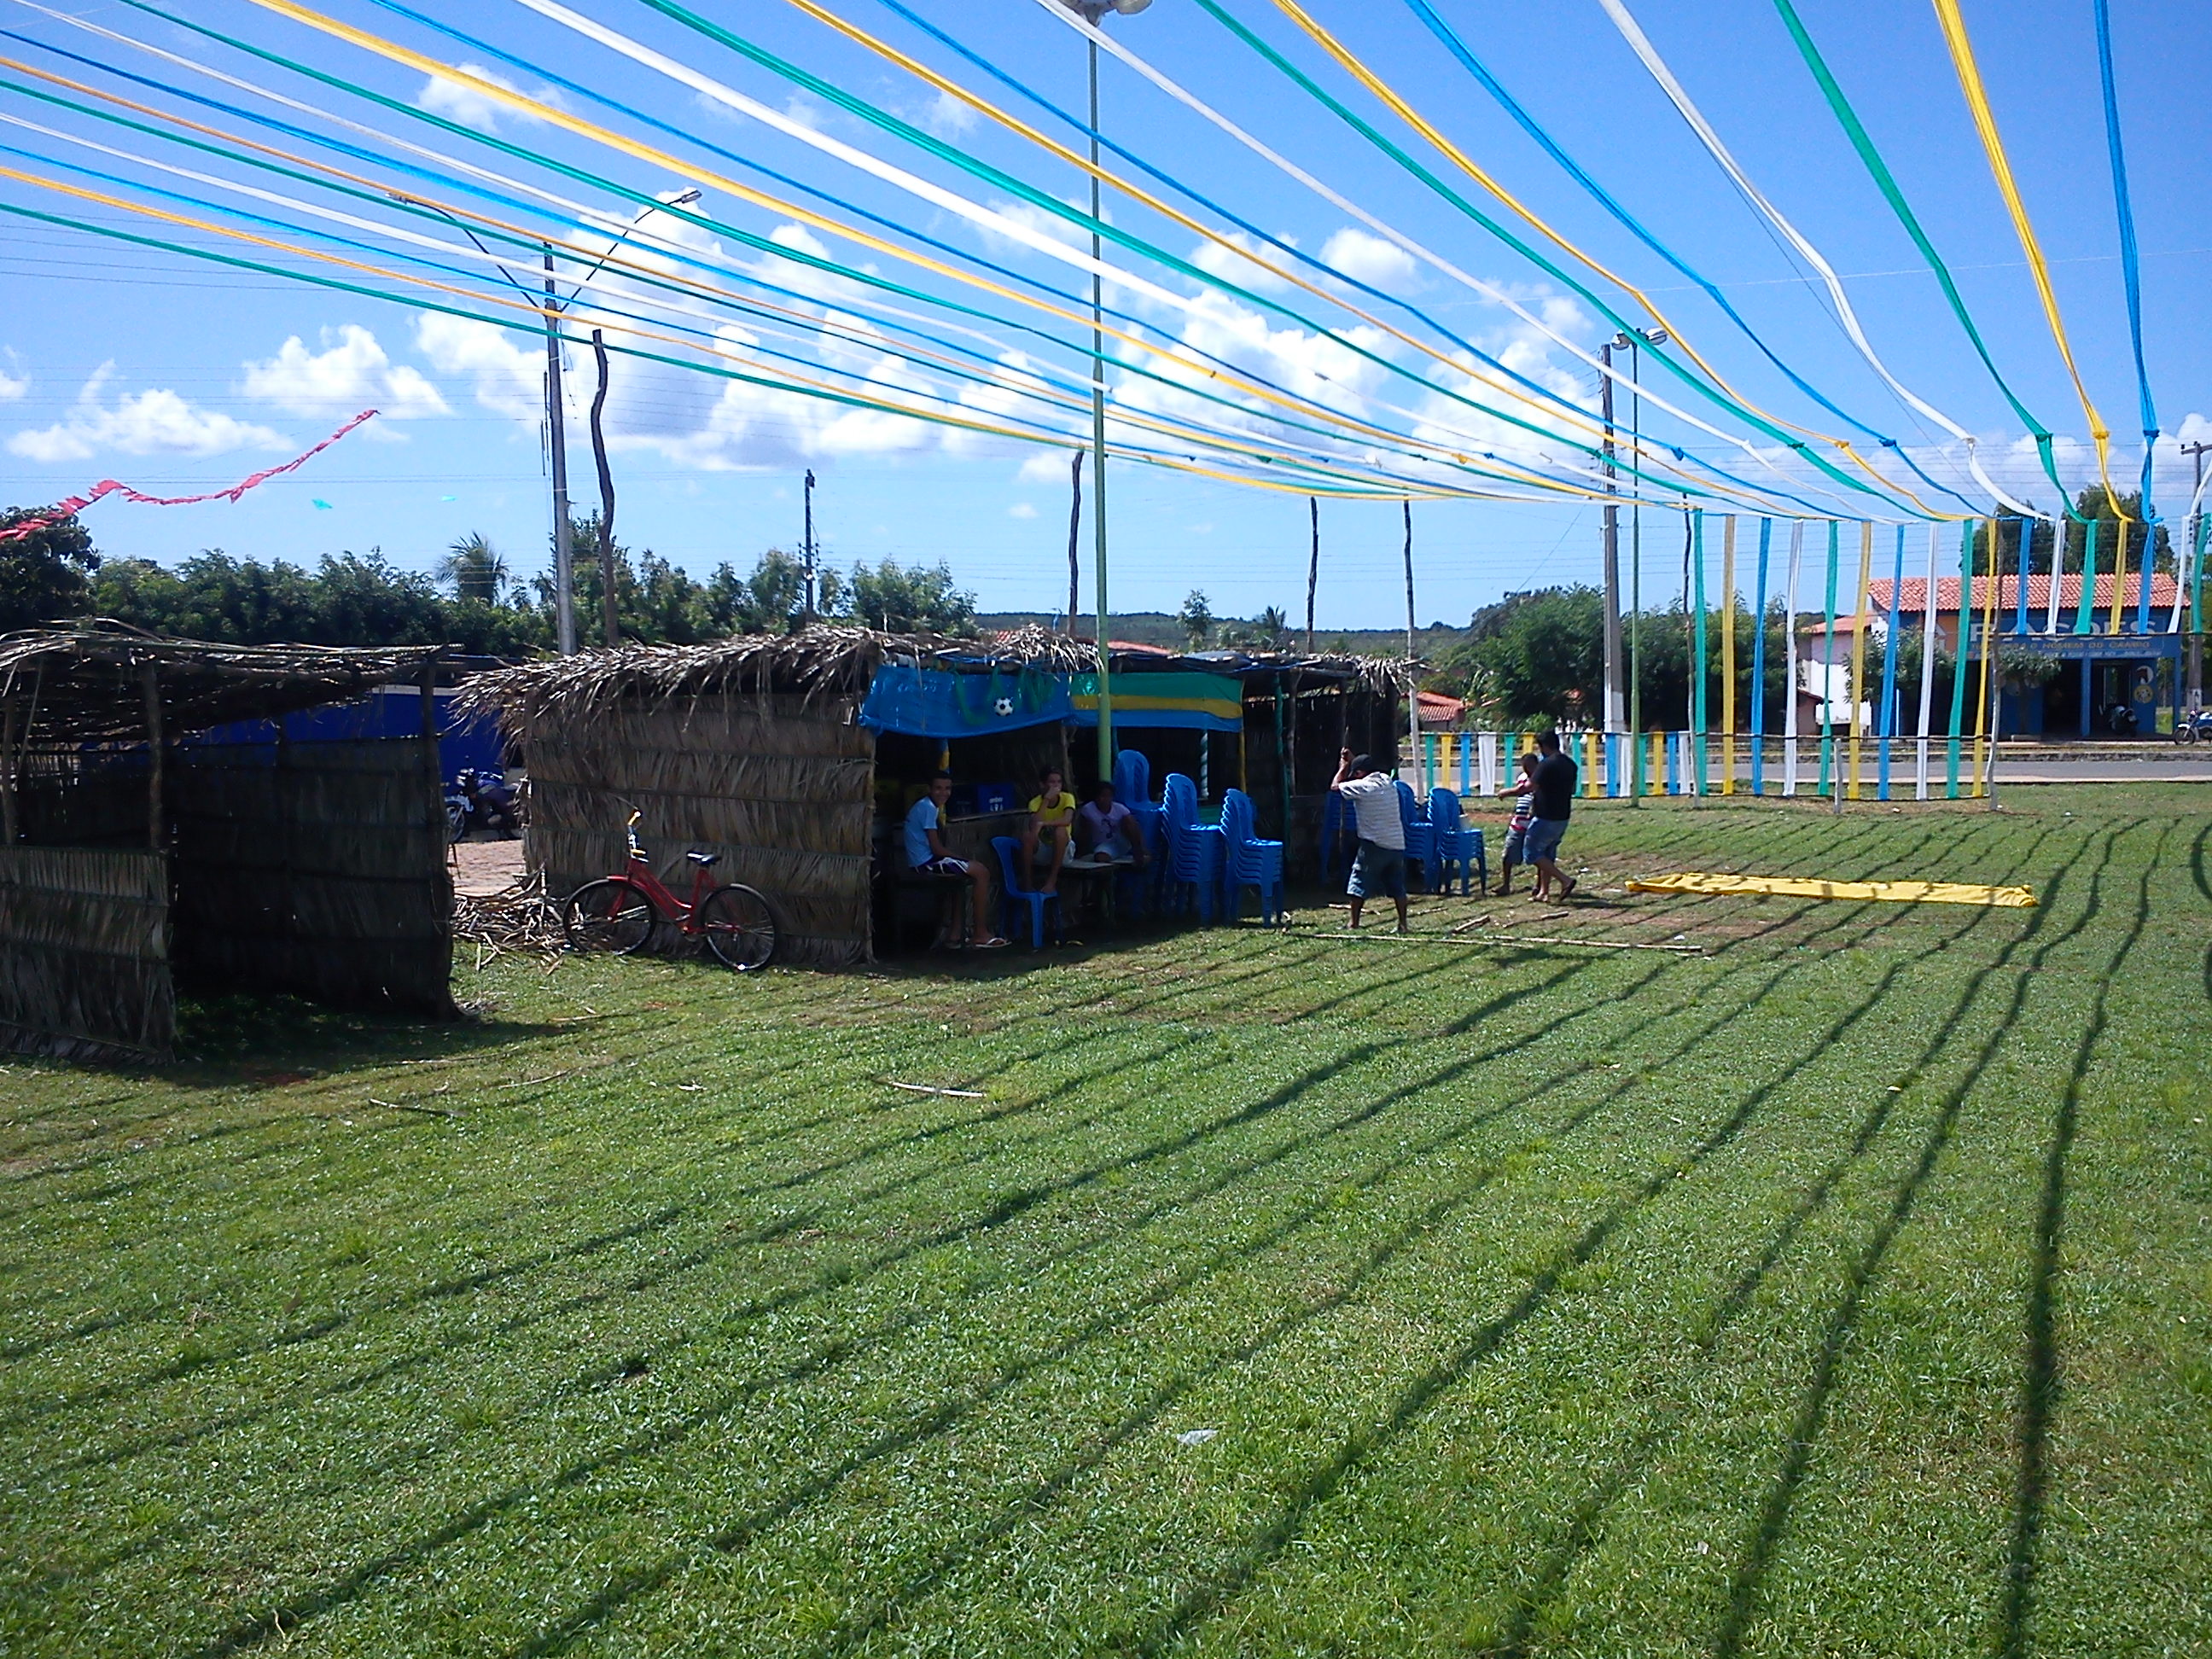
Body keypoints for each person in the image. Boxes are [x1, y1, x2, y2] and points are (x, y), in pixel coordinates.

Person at [904, 771, 1005, 949]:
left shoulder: (927, 806)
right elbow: (937, 849)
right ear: (930, 789)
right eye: (938, 788)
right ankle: (980, 933)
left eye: (947, 788)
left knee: (963, 879)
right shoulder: (927, 808)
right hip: (925, 864)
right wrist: (962, 858)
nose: (943, 793)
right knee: (981, 872)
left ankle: (955, 934)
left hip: (924, 861)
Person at [1330, 748, 1409, 933]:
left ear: (1359, 774)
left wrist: (1343, 767)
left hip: (1374, 843)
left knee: (1358, 881)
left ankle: (1354, 923)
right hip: (1396, 843)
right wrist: (1353, 760)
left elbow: (1335, 787)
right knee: (1397, 886)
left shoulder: (1362, 787)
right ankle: (1403, 924)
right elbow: (1366, 768)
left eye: (1355, 774)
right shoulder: (1386, 780)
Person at [1525, 730, 1579, 903]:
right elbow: (1573, 790)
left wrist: (1506, 792)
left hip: (1545, 816)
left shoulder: (1546, 764)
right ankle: (1544, 892)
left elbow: (1529, 786)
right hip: (1562, 816)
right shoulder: (1570, 764)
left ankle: (1565, 880)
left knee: (1531, 852)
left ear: (1543, 747)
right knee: (1547, 854)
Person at [1022, 765, 1078, 893]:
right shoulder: (1035, 803)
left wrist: (1045, 824)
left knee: (1060, 831)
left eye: (1059, 782)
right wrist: (1046, 800)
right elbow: (1034, 825)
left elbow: (1067, 820)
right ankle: (1027, 882)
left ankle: (1052, 881)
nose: (1056, 786)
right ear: (1043, 784)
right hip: (1044, 850)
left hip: (1064, 851)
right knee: (1027, 836)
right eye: (1052, 782)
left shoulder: (1067, 798)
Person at [1492, 751, 1539, 896]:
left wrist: (1506, 793)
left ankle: (1539, 886)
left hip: (1534, 822)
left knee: (1538, 856)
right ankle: (1505, 884)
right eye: (1525, 767)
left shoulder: (1540, 777)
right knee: (1508, 854)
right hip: (1519, 822)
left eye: (1530, 767)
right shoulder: (1523, 777)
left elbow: (1522, 791)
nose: (1527, 770)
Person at [1074, 779, 1146, 868]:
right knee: (1101, 857)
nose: (1102, 799)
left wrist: (1138, 848)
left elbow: (1134, 828)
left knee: (1128, 820)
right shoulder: (1088, 810)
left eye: (1106, 796)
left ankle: (1139, 852)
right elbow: (1083, 832)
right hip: (1102, 845)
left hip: (1121, 841)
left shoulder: (1120, 809)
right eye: (1100, 796)